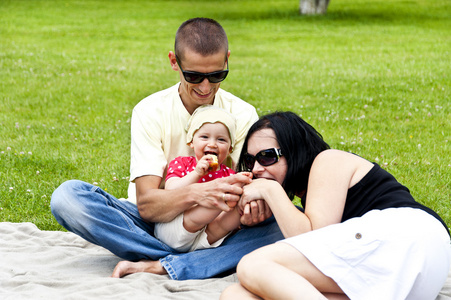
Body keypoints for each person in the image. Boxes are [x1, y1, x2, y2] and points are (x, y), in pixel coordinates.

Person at [50, 17, 281, 281]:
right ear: (174, 62)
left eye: (217, 75)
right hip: (152, 223)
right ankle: (190, 262)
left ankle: (161, 263)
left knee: (288, 221)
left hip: (217, 225)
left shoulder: (242, 114)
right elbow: (148, 205)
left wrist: (253, 209)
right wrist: (201, 192)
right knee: (67, 198)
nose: (205, 87)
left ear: (227, 59)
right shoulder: (150, 111)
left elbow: (250, 189)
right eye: (194, 75)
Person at [220, 111, 451, 299]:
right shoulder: (309, 199)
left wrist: (270, 190)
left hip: (407, 234)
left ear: (295, 152)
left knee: (253, 265)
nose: (257, 169)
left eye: (268, 156)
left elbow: (313, 237)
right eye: (250, 161)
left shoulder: (327, 161)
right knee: (235, 295)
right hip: (414, 275)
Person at [155, 105, 251, 252]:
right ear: (191, 142)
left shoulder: (230, 175)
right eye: (204, 137)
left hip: (208, 239)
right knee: (223, 195)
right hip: (177, 228)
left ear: (230, 148)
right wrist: (196, 173)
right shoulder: (182, 163)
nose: (212, 144)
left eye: (221, 140)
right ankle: (227, 197)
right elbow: (171, 191)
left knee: (233, 205)